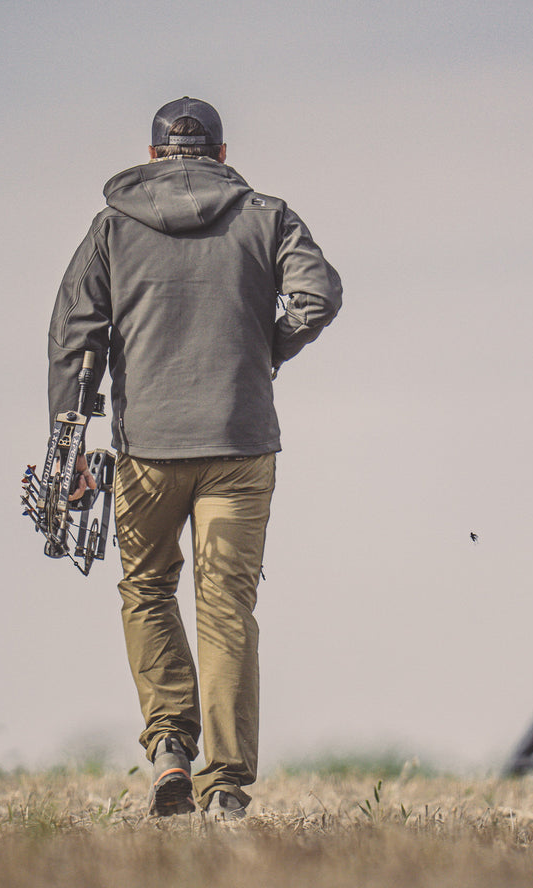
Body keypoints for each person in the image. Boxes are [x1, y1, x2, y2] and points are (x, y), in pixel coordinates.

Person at [47, 96, 342, 818]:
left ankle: (170, 750)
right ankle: (227, 790)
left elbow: (73, 337)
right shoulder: (267, 215)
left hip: (145, 448)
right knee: (226, 608)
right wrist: (263, 350)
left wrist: (69, 446)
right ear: (220, 151)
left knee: (147, 589)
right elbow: (318, 294)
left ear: (152, 157)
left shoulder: (112, 229)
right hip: (240, 445)